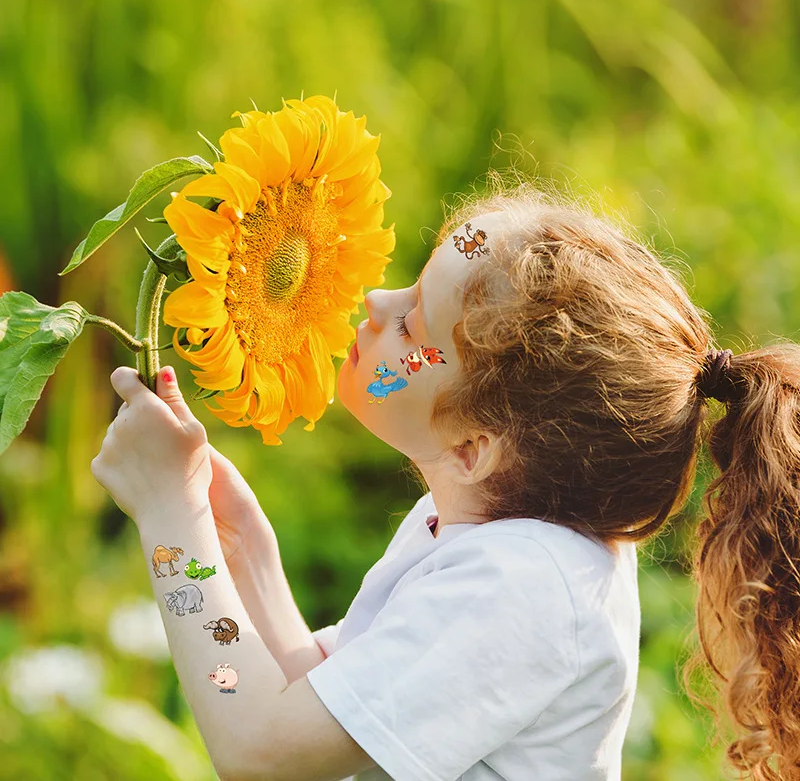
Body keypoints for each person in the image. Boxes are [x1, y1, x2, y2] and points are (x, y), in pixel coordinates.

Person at [90, 182, 800, 781]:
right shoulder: (482, 536)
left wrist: (168, 523)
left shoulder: (524, 587)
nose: (376, 300)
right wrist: (243, 549)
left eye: (413, 322)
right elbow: (321, 708)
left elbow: (262, 750)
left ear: (472, 449)